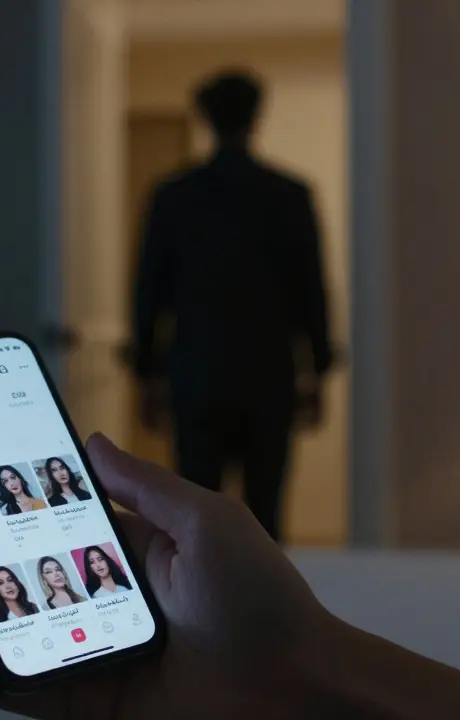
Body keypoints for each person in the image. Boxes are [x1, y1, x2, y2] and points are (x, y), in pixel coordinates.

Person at [0, 434, 460, 719]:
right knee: (250, 505)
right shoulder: (280, 194)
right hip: (249, 375)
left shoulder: (188, 194)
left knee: (244, 507)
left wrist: (304, 663)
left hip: (220, 374)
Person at [130, 69, 333, 542]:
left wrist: (146, 372)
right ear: (256, 117)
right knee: (267, 515)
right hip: (269, 374)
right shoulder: (289, 195)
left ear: (205, 119)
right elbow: (311, 290)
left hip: (196, 374)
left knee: (199, 517)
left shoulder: (174, 196)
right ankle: (264, 591)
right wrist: (318, 369)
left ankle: (204, 592)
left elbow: (149, 291)